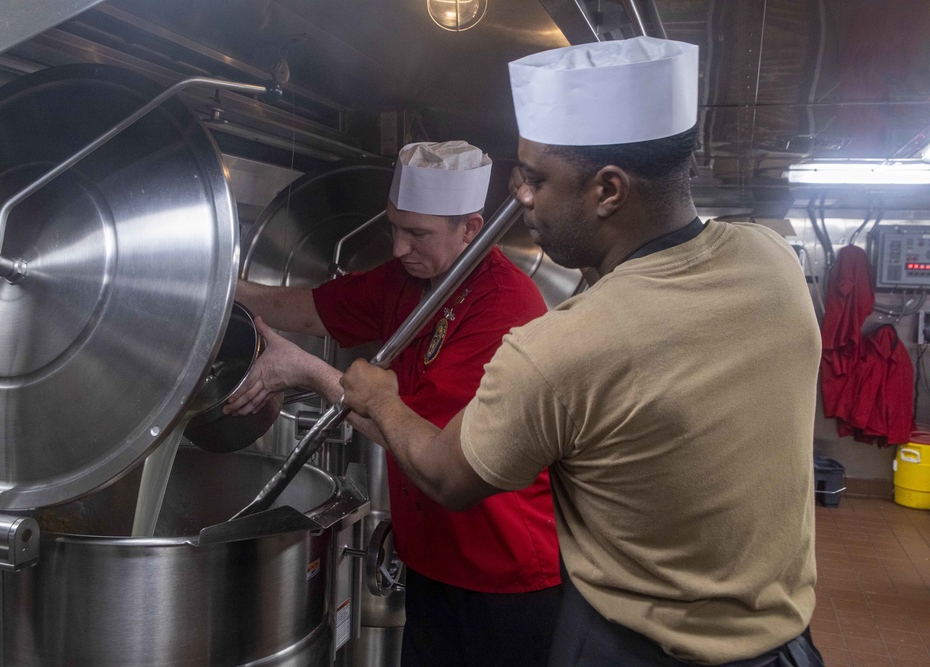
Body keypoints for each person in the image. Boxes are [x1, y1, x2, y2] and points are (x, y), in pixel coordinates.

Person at [339, 37, 826, 666]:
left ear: (609, 191)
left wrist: (382, 399)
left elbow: (444, 475)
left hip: (633, 652)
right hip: (787, 651)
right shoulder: (774, 260)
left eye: (538, 179)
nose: (523, 199)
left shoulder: (562, 349)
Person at [225, 140, 562, 666]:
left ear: (471, 229)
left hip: (501, 574)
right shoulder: (408, 279)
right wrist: (220, 287)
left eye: (418, 233)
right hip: (432, 560)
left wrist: (307, 370)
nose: (400, 248)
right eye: (394, 227)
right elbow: (313, 310)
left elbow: (427, 443)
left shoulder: (504, 304)